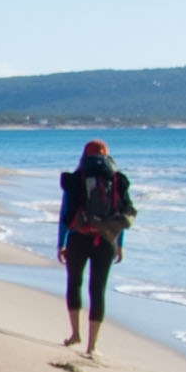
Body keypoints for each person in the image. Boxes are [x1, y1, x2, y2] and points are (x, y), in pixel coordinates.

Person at [57, 138, 136, 356]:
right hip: (107, 240)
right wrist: (119, 244)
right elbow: (121, 214)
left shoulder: (75, 179)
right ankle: (92, 346)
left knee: (74, 284)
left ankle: (75, 334)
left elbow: (65, 214)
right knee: (98, 290)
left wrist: (61, 243)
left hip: (78, 238)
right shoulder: (118, 180)